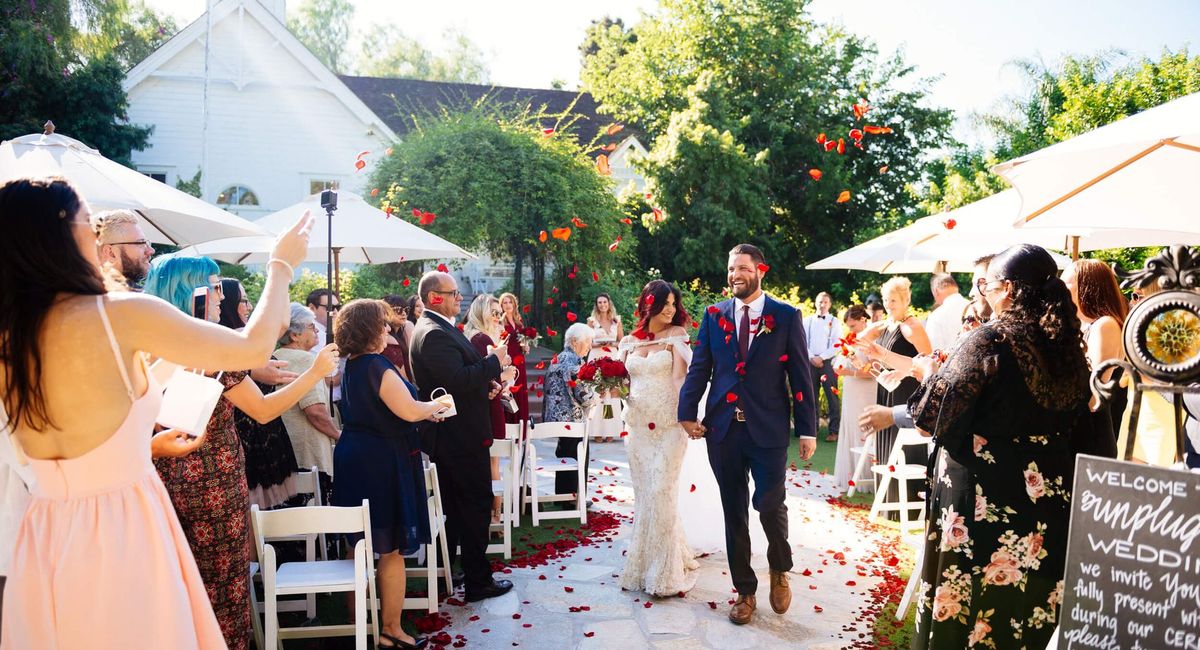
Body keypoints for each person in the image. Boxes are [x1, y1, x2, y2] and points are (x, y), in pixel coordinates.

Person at [0, 176, 310, 648]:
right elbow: (254, 344)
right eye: (90, 223)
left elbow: (78, 431)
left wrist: (145, 443)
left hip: (45, 532)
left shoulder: (12, 337)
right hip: (122, 524)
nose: (98, 238)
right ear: (62, 234)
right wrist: (281, 264)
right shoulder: (120, 315)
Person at [145, 255, 338, 649]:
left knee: (171, 591)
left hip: (158, 479)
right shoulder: (211, 349)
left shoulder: (146, 349)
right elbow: (265, 410)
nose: (223, 297)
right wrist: (315, 373)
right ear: (192, 292)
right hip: (212, 487)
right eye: (215, 287)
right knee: (221, 595)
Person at [908, 244, 1091, 650]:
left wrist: (927, 371)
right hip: (1046, 504)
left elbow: (930, 414)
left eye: (984, 285)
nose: (981, 293)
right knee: (1023, 612)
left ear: (1006, 289)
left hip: (982, 504)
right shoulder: (1066, 348)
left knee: (971, 613)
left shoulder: (987, 340)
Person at [678, 243, 817, 626]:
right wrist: (687, 413)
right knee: (733, 510)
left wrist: (807, 429)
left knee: (769, 505)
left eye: (742, 267)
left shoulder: (786, 316)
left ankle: (779, 567)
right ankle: (745, 591)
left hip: (768, 429)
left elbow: (800, 375)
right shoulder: (713, 315)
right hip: (722, 429)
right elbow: (700, 368)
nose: (734, 274)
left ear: (759, 270)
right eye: (730, 268)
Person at [331, 299, 449, 649]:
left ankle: (358, 625)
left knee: (358, 543)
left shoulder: (350, 364)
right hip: (381, 460)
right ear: (369, 329)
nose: (387, 330)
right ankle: (391, 630)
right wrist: (436, 407)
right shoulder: (377, 365)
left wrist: (420, 411)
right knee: (392, 548)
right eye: (382, 325)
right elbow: (410, 410)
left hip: (354, 456)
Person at [409, 271, 517, 602]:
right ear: (433, 298)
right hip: (458, 438)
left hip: (459, 431)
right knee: (474, 505)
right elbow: (455, 380)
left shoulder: (440, 328)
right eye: (453, 292)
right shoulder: (433, 332)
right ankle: (477, 580)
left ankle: (458, 571)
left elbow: (457, 380)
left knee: (460, 509)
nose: (460, 297)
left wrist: (485, 387)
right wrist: (493, 362)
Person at [618, 280, 701, 596]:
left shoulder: (676, 336)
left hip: (668, 426)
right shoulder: (628, 342)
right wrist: (603, 383)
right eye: (664, 303)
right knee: (646, 496)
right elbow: (621, 384)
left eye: (672, 304)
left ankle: (664, 573)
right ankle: (644, 563)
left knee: (661, 490)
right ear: (648, 304)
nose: (670, 309)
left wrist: (687, 416)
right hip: (637, 428)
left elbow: (681, 377)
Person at [219, 278, 302, 509]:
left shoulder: (239, 340)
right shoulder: (232, 342)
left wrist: (283, 278)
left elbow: (283, 323)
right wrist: (280, 272)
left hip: (265, 434)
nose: (248, 307)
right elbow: (282, 324)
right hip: (247, 438)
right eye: (242, 300)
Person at [860, 276, 931, 521]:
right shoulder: (886, 326)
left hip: (906, 391)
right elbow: (866, 346)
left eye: (895, 300)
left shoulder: (913, 326)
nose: (890, 305)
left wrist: (899, 369)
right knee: (886, 442)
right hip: (887, 388)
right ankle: (888, 503)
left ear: (906, 300)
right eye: (887, 300)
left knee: (902, 444)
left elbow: (928, 361)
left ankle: (907, 506)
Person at [275, 304, 339, 506]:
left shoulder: (275, 356)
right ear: (294, 335)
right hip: (307, 454)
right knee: (316, 525)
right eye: (311, 326)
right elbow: (315, 411)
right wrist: (339, 435)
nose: (317, 330)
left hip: (284, 453)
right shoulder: (305, 359)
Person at [1063, 259, 1127, 457]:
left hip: (1091, 434)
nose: (1059, 289)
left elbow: (1094, 395)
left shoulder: (1104, 325)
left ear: (1086, 286)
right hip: (1078, 429)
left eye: (1065, 284)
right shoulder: (1080, 325)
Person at [462, 294, 508, 521]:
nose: (499, 317)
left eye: (501, 313)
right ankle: (495, 515)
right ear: (481, 312)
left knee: (493, 461)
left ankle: (493, 514)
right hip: (488, 407)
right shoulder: (480, 339)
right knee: (493, 461)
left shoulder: (474, 336)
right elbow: (487, 376)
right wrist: (505, 375)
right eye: (495, 313)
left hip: (486, 403)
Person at [542, 323, 594, 495]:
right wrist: (595, 399)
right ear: (574, 341)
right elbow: (582, 393)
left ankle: (563, 496)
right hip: (572, 419)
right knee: (577, 456)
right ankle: (575, 498)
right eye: (587, 342)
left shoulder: (560, 358)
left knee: (564, 455)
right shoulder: (574, 361)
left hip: (557, 419)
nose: (589, 346)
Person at [831, 305, 875, 493]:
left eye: (853, 325)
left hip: (866, 391)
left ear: (864, 320)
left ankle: (865, 476)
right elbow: (842, 362)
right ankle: (849, 474)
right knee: (850, 424)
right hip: (851, 388)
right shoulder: (852, 340)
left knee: (863, 427)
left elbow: (871, 372)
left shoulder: (873, 339)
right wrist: (842, 368)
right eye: (848, 326)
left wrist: (848, 371)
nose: (851, 330)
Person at [803, 291, 843, 441]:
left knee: (832, 397)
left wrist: (822, 357)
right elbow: (802, 342)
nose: (822, 305)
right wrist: (812, 357)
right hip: (810, 361)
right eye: (820, 301)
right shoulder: (807, 321)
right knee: (811, 396)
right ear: (816, 303)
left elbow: (837, 344)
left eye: (825, 302)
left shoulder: (835, 321)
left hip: (827, 362)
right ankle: (812, 429)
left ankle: (834, 431)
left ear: (830, 305)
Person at [587, 293, 624, 443]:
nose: (602, 305)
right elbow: (587, 342)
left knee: (610, 396)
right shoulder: (591, 321)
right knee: (597, 395)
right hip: (596, 357)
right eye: (599, 302)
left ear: (609, 304)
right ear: (597, 305)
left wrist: (611, 344)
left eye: (605, 302)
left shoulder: (616, 320)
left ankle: (609, 430)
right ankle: (596, 430)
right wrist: (599, 344)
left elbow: (621, 341)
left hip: (612, 359)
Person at [94, 208, 154, 288]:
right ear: (111, 253)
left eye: (146, 243)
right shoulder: (139, 299)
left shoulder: (78, 294)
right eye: (140, 243)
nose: (151, 250)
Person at [498, 292, 530, 426]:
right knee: (510, 388)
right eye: (504, 302)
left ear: (514, 304)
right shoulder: (500, 321)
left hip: (519, 358)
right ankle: (509, 424)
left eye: (510, 302)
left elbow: (522, 339)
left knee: (520, 389)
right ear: (501, 305)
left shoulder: (518, 320)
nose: (508, 305)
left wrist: (526, 346)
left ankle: (520, 425)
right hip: (508, 358)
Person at [924, 273, 970, 352]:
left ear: (936, 291)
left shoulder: (935, 316)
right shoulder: (974, 307)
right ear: (956, 287)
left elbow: (935, 352)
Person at [382, 294, 414, 381]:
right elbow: (403, 378)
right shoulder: (389, 339)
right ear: (386, 313)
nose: (404, 313)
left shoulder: (400, 334)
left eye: (406, 310)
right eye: (398, 310)